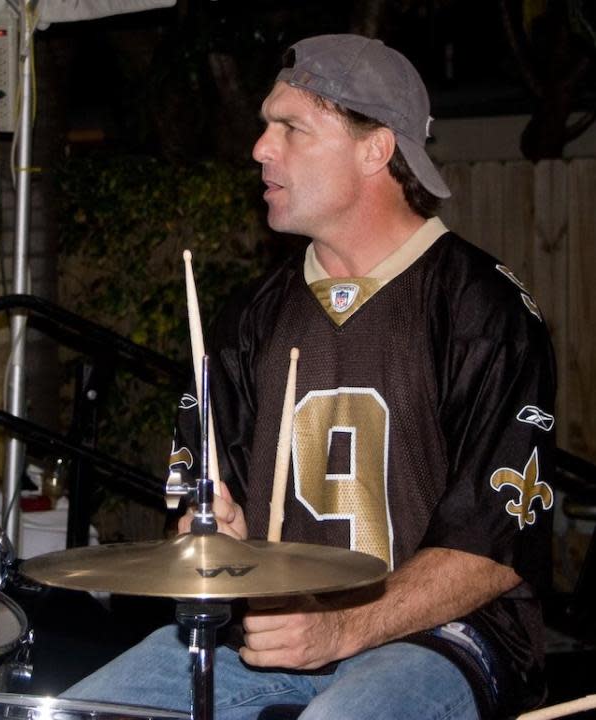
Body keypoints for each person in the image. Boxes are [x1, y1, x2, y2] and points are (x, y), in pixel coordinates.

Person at [62, 33, 556, 720]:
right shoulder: (248, 318)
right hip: (272, 635)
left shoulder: (480, 308)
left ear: (375, 148)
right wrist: (211, 537)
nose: (261, 148)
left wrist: (343, 628)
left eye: (291, 128)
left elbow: (493, 549)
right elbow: (206, 509)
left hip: (444, 640)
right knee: (84, 712)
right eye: (266, 126)